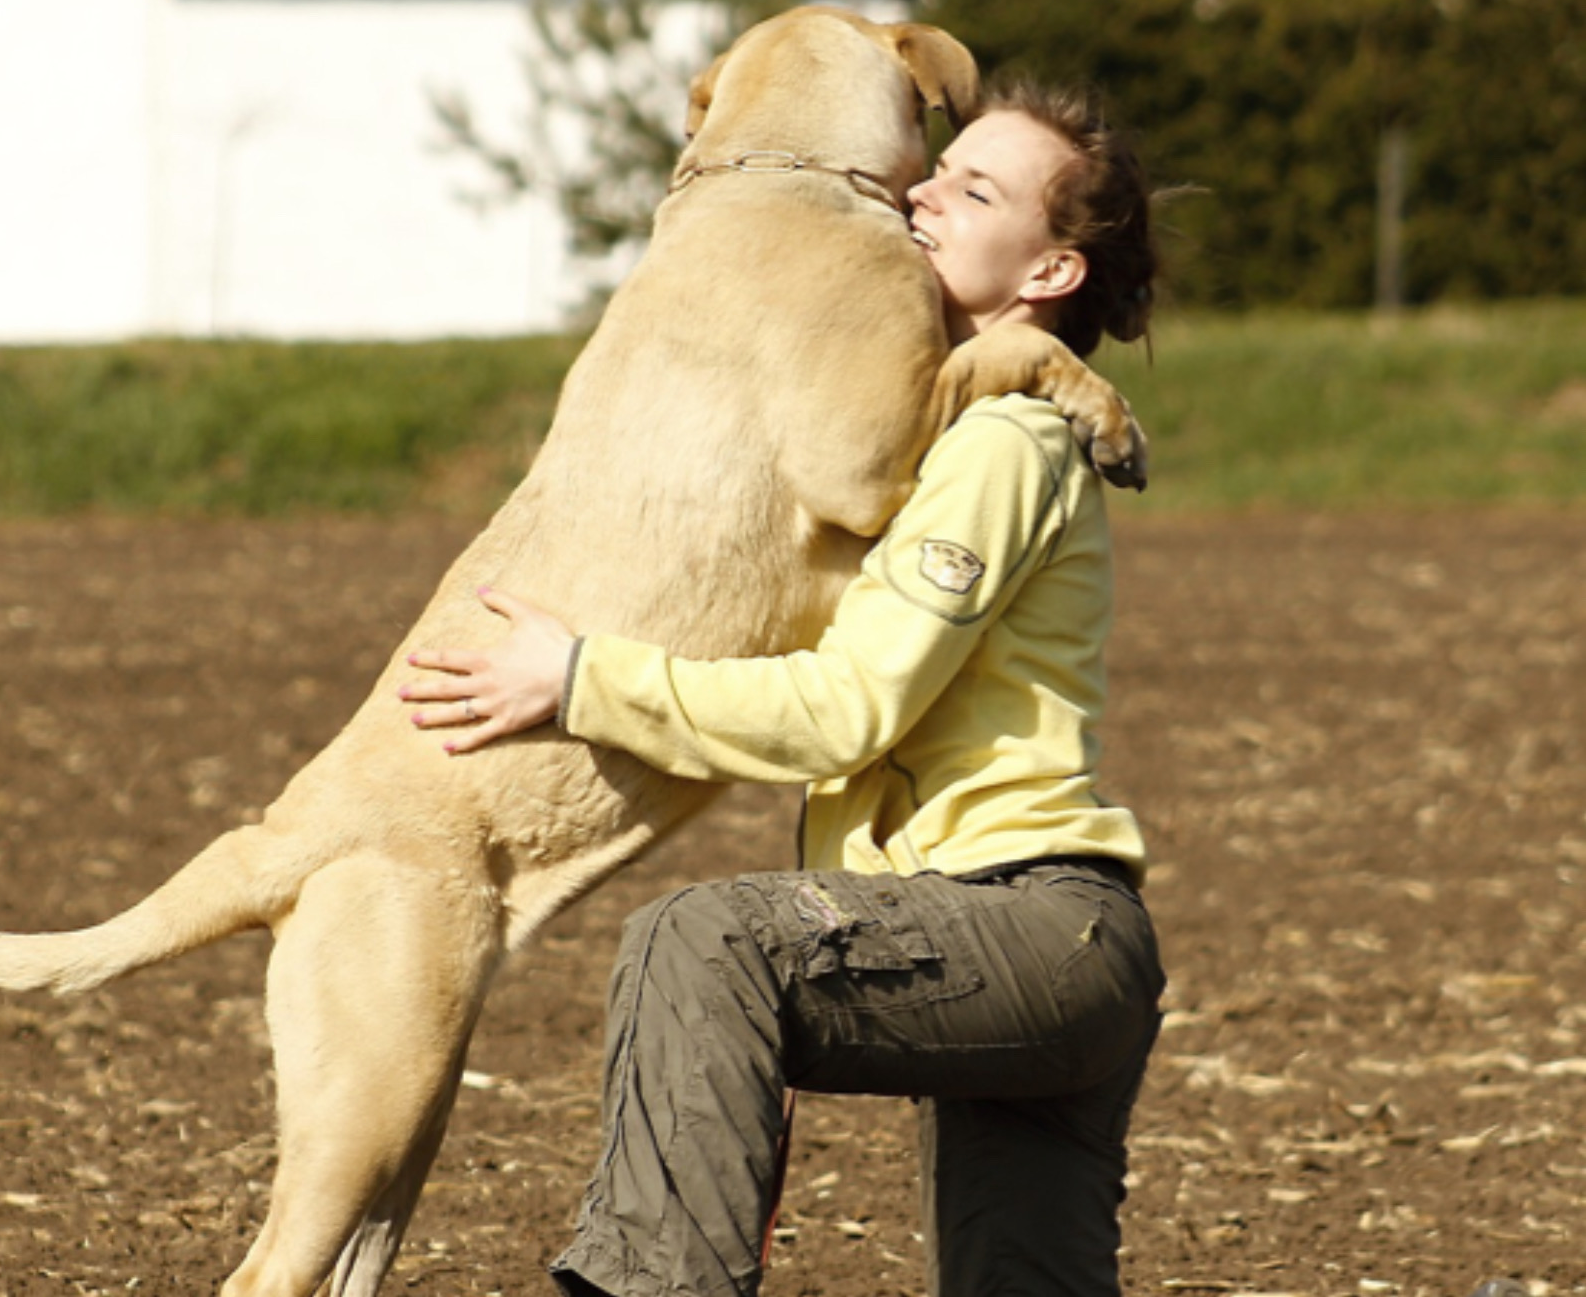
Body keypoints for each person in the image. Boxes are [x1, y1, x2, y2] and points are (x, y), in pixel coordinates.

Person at [400, 78, 1166, 1297]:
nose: (921, 190)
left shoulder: (1002, 443)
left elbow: (844, 709)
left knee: (700, 943)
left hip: (1026, 922)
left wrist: (581, 678)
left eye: (972, 190)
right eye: (937, 168)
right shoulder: (946, 432)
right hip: (1052, 951)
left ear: (1050, 276)